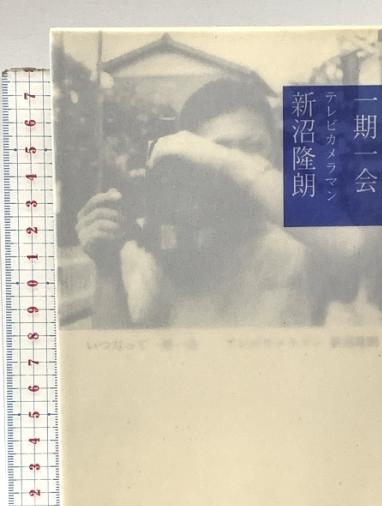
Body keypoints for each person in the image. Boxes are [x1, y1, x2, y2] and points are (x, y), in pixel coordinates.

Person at [76, 78, 362, 328]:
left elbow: (347, 240)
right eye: (219, 147)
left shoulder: (302, 237)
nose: (238, 163)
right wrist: (107, 266)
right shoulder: (159, 241)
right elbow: (117, 355)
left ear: (275, 152)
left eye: (253, 146)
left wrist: (222, 158)